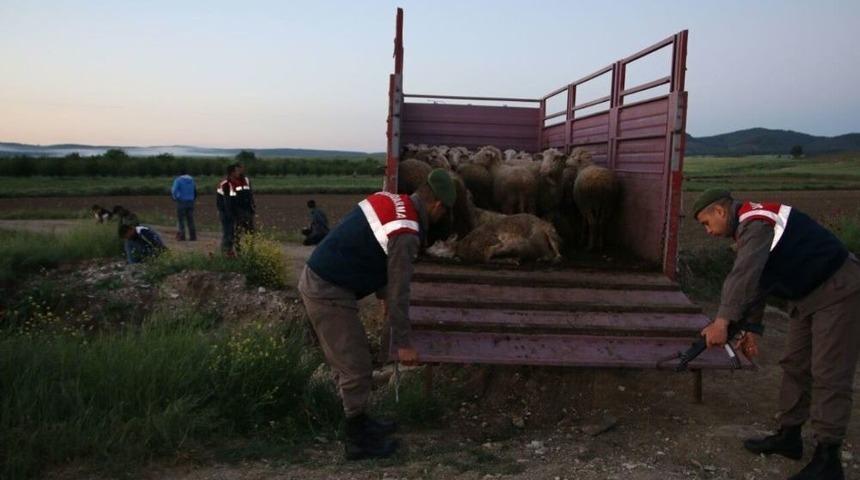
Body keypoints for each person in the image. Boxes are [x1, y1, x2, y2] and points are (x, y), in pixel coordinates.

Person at [693, 188, 860, 480]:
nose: (707, 231)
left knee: (828, 372)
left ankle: (828, 459)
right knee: (795, 363)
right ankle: (790, 436)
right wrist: (750, 328)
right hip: (805, 296)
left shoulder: (757, 222)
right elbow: (759, 282)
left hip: (838, 289)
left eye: (706, 223)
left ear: (720, 211)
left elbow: (743, 275)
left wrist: (722, 322)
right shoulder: (748, 229)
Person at [298, 169, 456, 460]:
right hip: (328, 290)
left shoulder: (389, 200)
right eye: (444, 214)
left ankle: (361, 421)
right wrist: (404, 343)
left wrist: (382, 294)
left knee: (351, 362)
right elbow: (399, 291)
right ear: (437, 206)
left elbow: (372, 249)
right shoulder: (407, 232)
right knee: (355, 366)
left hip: (324, 277)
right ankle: (358, 442)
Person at [216, 165, 238, 255]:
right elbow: (226, 201)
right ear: (232, 172)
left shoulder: (230, 183)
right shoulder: (226, 184)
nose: (238, 173)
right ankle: (225, 253)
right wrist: (231, 213)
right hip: (225, 212)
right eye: (236, 171)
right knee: (227, 233)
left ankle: (228, 251)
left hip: (227, 212)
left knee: (230, 233)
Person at [171, 169, 197, 241]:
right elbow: (195, 190)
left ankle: (182, 236)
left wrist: (175, 198)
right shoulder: (192, 180)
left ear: (180, 174)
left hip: (181, 201)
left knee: (181, 220)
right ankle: (193, 236)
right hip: (191, 201)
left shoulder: (178, 180)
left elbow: (174, 190)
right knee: (190, 219)